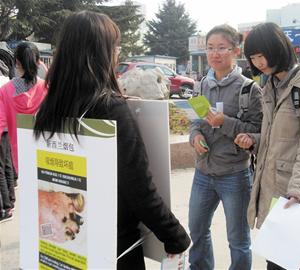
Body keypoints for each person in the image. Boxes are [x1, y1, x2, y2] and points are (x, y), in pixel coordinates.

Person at [33, 10, 190, 269]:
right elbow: (139, 189)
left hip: (65, 242)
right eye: (115, 46)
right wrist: (175, 237)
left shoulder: (49, 107)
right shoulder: (109, 108)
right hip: (113, 247)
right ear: (100, 52)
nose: (117, 53)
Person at [234, 22, 300, 270]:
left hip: (294, 192)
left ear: (278, 48)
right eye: (253, 57)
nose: (258, 62)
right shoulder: (271, 86)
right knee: (284, 261)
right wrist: (254, 141)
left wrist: (298, 190)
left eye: (261, 54)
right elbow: (276, 137)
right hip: (272, 189)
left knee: (282, 263)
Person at [188, 24, 262, 270]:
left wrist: (226, 123)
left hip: (235, 175)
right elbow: (196, 122)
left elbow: (259, 132)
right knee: (197, 232)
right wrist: (195, 137)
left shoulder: (249, 89)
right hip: (203, 173)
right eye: (210, 48)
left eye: (221, 48)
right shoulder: (201, 86)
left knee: (238, 240)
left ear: (235, 50)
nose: (214, 54)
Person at [0, 42, 47, 177]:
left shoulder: (5, 91)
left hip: (20, 154)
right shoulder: (47, 88)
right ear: (38, 62)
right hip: (47, 152)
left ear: (17, 63)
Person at [0, 42, 16, 223]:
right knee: (7, 166)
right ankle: (10, 201)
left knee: (0, 169)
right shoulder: (8, 81)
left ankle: (4, 208)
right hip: (7, 128)